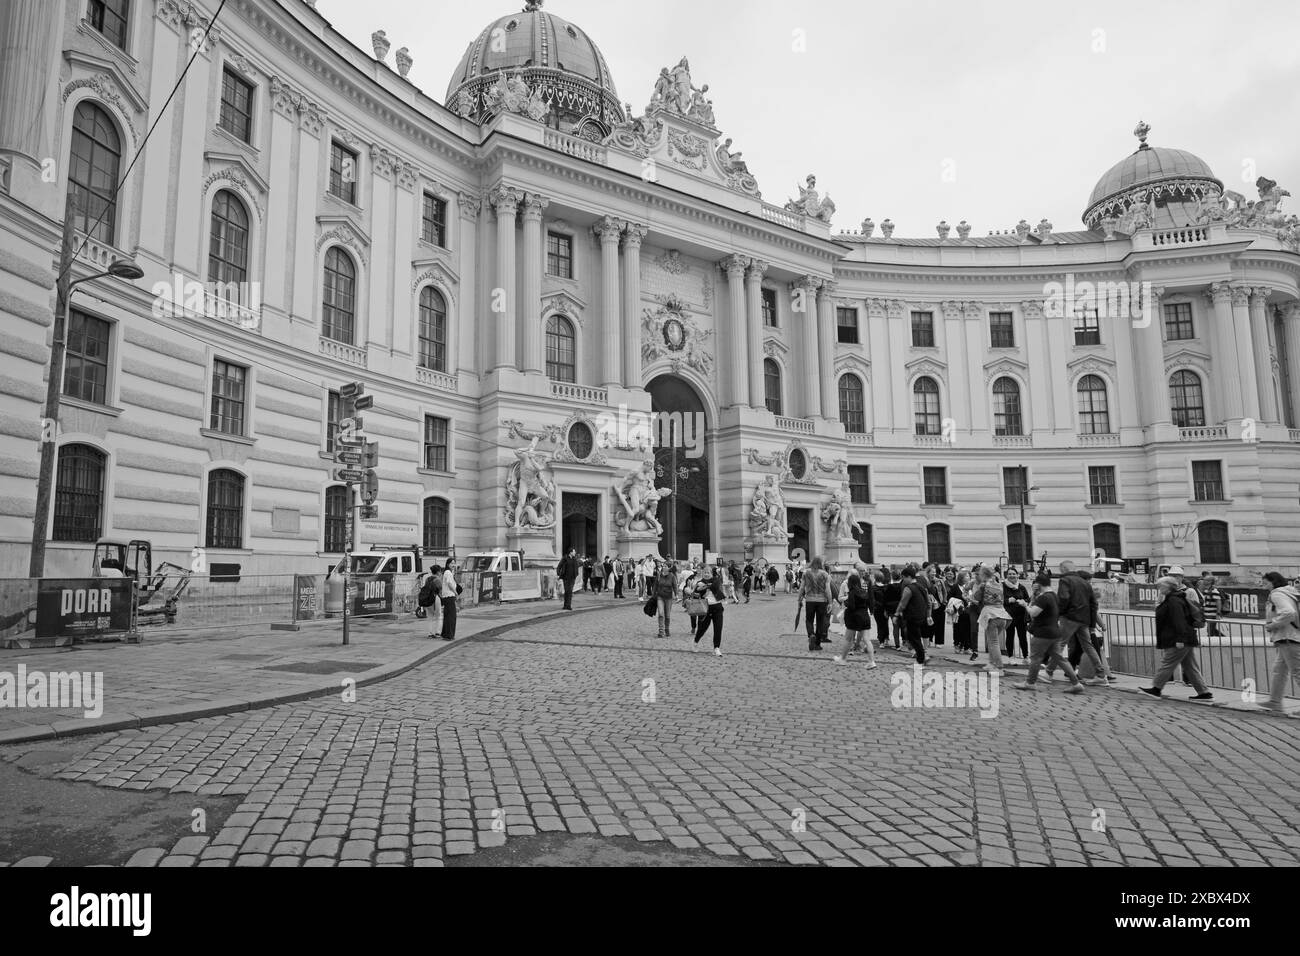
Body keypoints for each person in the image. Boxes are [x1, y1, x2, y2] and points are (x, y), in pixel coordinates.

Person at [1141, 576, 1213, 700]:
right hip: (1185, 638)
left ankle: (1156, 689)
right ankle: (1204, 693)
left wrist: (1180, 639)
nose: (1158, 588)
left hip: (1179, 640)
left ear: (1168, 586)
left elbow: (1179, 621)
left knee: (1168, 663)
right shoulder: (1174, 598)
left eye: (1160, 585)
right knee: (1190, 667)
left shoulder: (1173, 601)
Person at [1013, 572, 1085, 693]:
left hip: (1042, 633)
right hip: (1055, 633)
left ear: (1039, 584)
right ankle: (1076, 683)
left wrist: (1025, 605)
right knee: (1060, 659)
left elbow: (1033, 613)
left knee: (1035, 658)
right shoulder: (1054, 596)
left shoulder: (1044, 598)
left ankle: (1030, 682)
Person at [1050, 560, 1111, 685]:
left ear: (1063, 569)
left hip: (1070, 618)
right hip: (1084, 620)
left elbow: (1064, 598)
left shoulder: (1065, 580)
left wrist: (1059, 613)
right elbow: (1094, 604)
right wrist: (1092, 624)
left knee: (1059, 644)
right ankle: (1101, 675)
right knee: (1088, 646)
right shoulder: (1085, 583)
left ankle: (1048, 671)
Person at [1262, 571, 1300, 712]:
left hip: (1287, 638)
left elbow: (1289, 613)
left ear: (1273, 582)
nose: (1263, 585)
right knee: (1279, 671)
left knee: (1297, 672)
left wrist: (1272, 625)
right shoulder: (1290, 592)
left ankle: (1275, 701)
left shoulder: (1277, 594)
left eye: (1265, 582)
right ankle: (1275, 701)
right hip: (1289, 637)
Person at [833, 565, 878, 668]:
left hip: (854, 618)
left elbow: (851, 606)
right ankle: (872, 661)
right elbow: (869, 600)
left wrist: (847, 604)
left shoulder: (852, 592)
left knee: (848, 639)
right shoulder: (863, 592)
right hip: (864, 616)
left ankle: (843, 659)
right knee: (867, 639)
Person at [970, 566, 1009, 674]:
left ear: (983, 575)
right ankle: (991, 663)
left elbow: (976, 597)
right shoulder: (999, 584)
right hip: (1002, 615)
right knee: (992, 641)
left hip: (991, 615)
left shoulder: (984, 585)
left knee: (993, 642)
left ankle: (999, 667)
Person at [894, 566, 929, 664]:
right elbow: (928, 601)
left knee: (914, 639)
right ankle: (922, 657)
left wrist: (896, 615)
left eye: (904, 578)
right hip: (922, 615)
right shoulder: (921, 586)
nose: (903, 580)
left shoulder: (908, 589)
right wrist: (928, 615)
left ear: (909, 577)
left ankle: (921, 660)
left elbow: (902, 604)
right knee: (915, 637)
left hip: (912, 617)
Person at [800, 556, 834, 652]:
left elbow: (802, 587)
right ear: (821, 563)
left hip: (810, 600)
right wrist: (830, 602)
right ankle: (817, 643)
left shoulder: (806, 573)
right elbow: (828, 590)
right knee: (820, 621)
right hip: (822, 601)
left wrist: (799, 599)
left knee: (809, 619)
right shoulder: (825, 574)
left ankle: (811, 634)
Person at [1003, 567, 1030, 661]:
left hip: (1021, 616)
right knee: (1010, 636)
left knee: (1022, 637)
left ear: (1017, 575)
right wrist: (1007, 600)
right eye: (1010, 574)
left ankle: (1026, 656)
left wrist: (1024, 601)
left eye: (1014, 574)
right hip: (1009, 616)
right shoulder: (1002, 586)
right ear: (1007, 575)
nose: (1012, 576)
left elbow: (1028, 598)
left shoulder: (1021, 587)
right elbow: (998, 599)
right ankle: (1010, 656)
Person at [653, 559, 678, 638]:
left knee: (667, 615)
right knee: (661, 613)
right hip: (660, 596)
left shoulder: (672, 576)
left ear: (669, 567)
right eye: (663, 566)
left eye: (665, 566)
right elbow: (655, 585)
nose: (663, 567)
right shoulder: (659, 575)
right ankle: (661, 631)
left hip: (668, 597)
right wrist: (653, 594)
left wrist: (676, 594)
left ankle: (667, 629)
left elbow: (675, 586)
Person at [418, 567, 442, 639]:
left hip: (428, 599)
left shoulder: (427, 579)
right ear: (438, 572)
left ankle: (430, 633)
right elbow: (440, 590)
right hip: (435, 598)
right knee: (438, 616)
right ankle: (438, 632)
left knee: (430, 617)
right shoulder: (438, 579)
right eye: (440, 572)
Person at [439, 560, 460, 641]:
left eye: (454, 563)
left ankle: (445, 633)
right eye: (451, 563)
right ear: (448, 564)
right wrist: (455, 593)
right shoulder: (448, 572)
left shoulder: (448, 572)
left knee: (447, 616)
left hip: (447, 596)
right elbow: (450, 584)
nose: (453, 565)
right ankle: (449, 635)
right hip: (449, 595)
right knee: (451, 616)